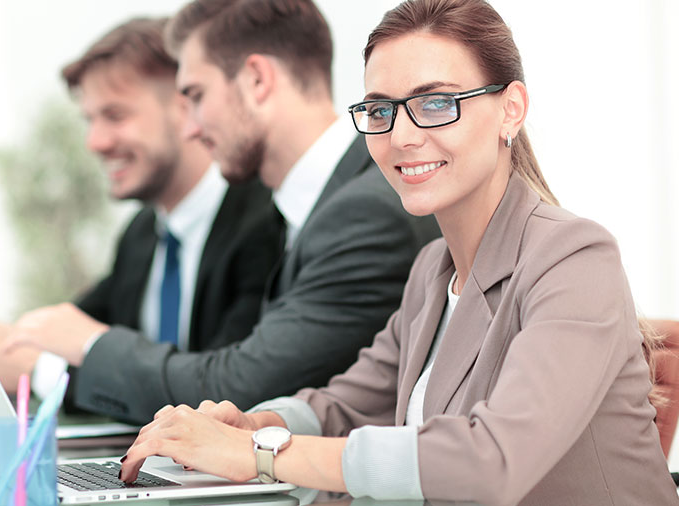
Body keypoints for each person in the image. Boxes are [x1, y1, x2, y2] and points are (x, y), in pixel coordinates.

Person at [117, 0, 679, 504]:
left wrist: (259, 457)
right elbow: (347, 406)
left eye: (435, 103)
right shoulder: (433, 272)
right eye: (381, 110)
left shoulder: (575, 258)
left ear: (511, 109)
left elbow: (492, 460)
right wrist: (252, 424)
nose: (402, 136)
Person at [5, 0, 439, 423]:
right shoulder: (301, 209)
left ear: (256, 80)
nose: (190, 126)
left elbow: (243, 390)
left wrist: (91, 344)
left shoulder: (364, 213)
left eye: (195, 95)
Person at [0, 17, 283, 404]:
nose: (95, 142)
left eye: (115, 115)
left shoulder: (265, 223)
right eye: (89, 120)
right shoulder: (142, 234)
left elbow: (218, 389)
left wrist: (44, 372)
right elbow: (55, 331)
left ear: (186, 107)